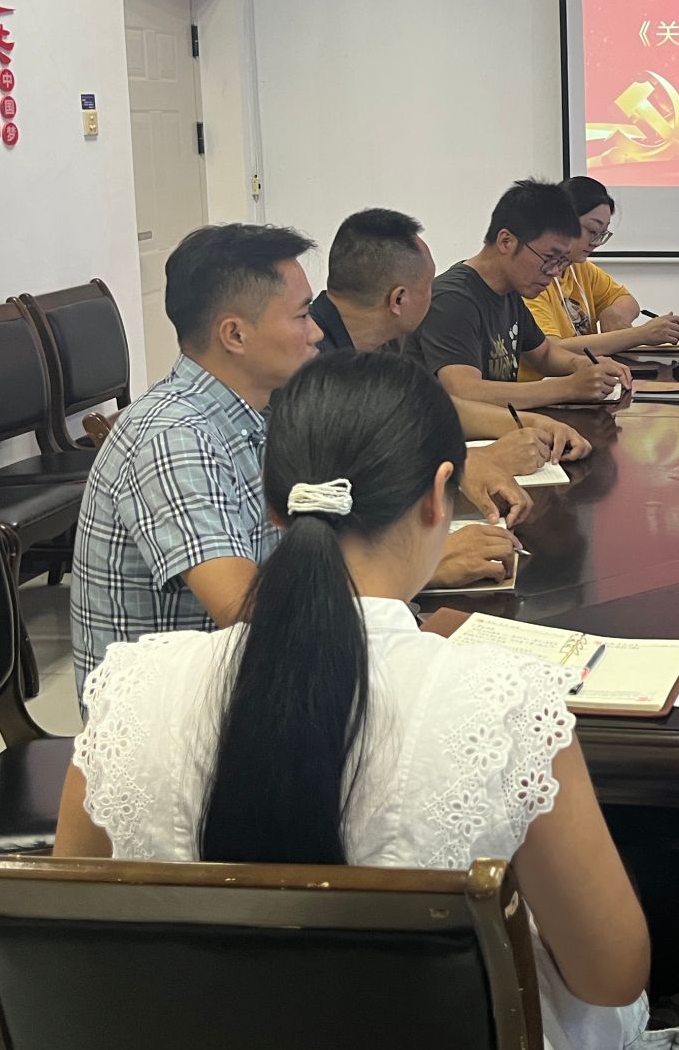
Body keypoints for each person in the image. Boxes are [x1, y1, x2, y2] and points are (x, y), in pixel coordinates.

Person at [57, 353, 679, 1050]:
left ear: (273, 508)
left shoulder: (131, 690)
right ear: (439, 497)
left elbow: (74, 936)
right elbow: (610, 975)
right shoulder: (508, 704)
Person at [70, 224, 504, 698]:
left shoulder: (259, 411)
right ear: (235, 334)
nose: (316, 331)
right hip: (177, 710)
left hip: (261, 676)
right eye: (301, 316)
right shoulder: (173, 437)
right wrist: (418, 568)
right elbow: (247, 609)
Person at [313, 206, 592, 469]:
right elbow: (354, 472)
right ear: (399, 299)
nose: (434, 294)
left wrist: (534, 424)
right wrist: (483, 459)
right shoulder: (313, 366)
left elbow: (432, 408)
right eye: (428, 286)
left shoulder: (382, 343)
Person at [408, 180, 634, 411]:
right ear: (506, 241)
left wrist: (584, 364)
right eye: (549, 258)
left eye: (561, 261)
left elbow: (544, 354)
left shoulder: (509, 292)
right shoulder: (453, 300)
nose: (554, 271)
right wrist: (568, 387)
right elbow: (465, 391)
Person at [525, 177, 679, 363]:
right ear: (560, 222)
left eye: (602, 234)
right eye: (592, 231)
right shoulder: (532, 279)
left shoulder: (579, 268)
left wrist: (613, 312)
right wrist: (640, 335)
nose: (596, 242)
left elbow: (627, 301)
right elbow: (550, 351)